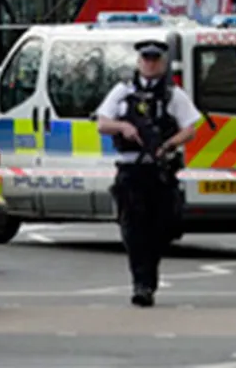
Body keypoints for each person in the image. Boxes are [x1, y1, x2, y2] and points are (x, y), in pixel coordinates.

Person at [95, 38, 202, 307]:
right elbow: (102, 123)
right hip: (131, 168)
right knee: (133, 230)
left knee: (161, 228)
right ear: (139, 62)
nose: (150, 64)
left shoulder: (172, 94)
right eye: (146, 59)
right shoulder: (123, 90)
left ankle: (148, 278)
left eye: (155, 60)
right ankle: (141, 284)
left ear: (163, 64)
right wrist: (123, 128)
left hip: (159, 170)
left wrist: (168, 145)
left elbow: (190, 128)